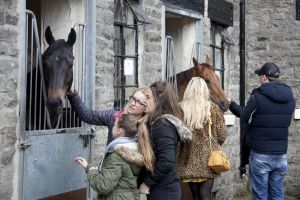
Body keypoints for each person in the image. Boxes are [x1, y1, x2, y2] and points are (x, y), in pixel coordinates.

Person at [228, 63, 295, 200]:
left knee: (260, 195)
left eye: (259, 76)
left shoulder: (257, 97)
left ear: (264, 77)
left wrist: (231, 104)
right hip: (281, 155)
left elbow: (244, 117)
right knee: (277, 193)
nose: (259, 79)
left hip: (261, 155)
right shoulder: (290, 98)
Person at [75, 114, 153, 200]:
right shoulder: (135, 149)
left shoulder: (117, 156)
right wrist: (89, 166)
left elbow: (103, 186)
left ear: (119, 130)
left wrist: (90, 169)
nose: (112, 127)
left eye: (114, 125)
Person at [138, 81, 192, 200]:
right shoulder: (157, 123)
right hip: (162, 189)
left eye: (148, 97)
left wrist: (147, 182)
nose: (144, 101)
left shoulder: (161, 125)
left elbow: (166, 161)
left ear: (159, 100)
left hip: (164, 191)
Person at [176, 77, 227, 200]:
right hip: (208, 159)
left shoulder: (179, 108)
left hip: (187, 158)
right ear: (205, 90)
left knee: (195, 196)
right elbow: (222, 134)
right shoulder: (213, 108)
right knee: (206, 195)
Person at [67, 88, 147, 144]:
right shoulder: (115, 117)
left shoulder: (147, 127)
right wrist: (72, 93)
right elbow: (87, 115)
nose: (133, 103)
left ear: (146, 108)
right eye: (133, 99)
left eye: (138, 102)